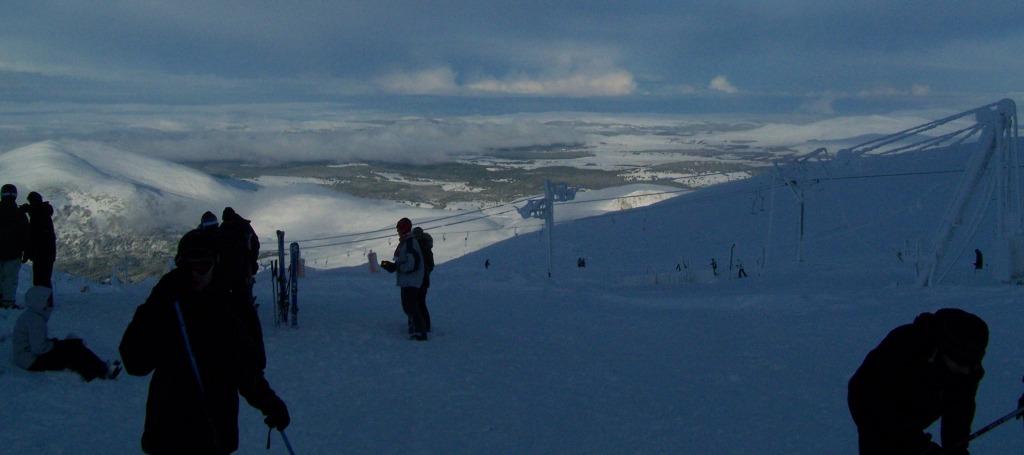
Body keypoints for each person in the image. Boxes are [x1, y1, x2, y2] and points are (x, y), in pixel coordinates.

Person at [119, 229, 289, 454]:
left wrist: (270, 404)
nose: (195, 274)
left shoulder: (228, 308)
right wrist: (155, 306)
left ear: (216, 264)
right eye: (188, 266)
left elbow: (245, 370)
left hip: (213, 434)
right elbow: (135, 363)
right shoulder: (167, 303)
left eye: (203, 266)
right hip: (168, 434)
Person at [848, 308, 988, 455]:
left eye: (973, 364)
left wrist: (956, 448)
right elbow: (874, 407)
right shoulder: (903, 348)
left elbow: (959, 411)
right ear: (942, 351)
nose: (967, 371)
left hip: (917, 410)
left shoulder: (968, 368)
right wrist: (919, 446)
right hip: (871, 405)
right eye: (961, 364)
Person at [12, 286, 121, 381]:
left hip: (25, 358)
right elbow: (38, 349)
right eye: (47, 300)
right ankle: (101, 371)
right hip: (30, 361)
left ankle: (100, 368)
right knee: (73, 350)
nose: (50, 302)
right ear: (40, 302)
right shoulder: (36, 321)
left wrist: (56, 344)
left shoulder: (31, 316)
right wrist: (56, 345)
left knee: (72, 346)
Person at [380, 218, 427, 341]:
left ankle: (420, 332)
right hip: (408, 280)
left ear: (404, 229)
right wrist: (393, 266)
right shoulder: (407, 242)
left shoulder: (410, 242)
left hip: (411, 280)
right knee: (408, 306)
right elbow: (406, 261)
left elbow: (411, 264)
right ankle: (415, 328)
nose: (397, 231)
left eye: (399, 228)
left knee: (410, 306)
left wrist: (397, 267)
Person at [218, 207, 260, 302]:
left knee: (242, 291)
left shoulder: (241, 227)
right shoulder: (239, 225)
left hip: (242, 265)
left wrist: (252, 260)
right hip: (235, 266)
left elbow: (254, 244)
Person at [0, 183, 29, 309]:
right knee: (10, 279)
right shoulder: (20, 214)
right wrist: (26, 251)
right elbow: (26, 234)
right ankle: (8, 302)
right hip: (14, 252)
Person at [21, 191, 57, 288]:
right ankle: (47, 301)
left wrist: (26, 254)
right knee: (45, 280)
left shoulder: (37, 216)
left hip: (40, 254)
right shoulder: (44, 213)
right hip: (49, 254)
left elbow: (32, 237)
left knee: (39, 280)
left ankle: (41, 301)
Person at [412, 226, 434, 334]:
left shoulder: (420, 248)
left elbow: (429, 265)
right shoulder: (426, 248)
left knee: (416, 302)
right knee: (420, 302)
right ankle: (424, 324)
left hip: (418, 280)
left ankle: (419, 325)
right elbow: (431, 265)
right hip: (423, 280)